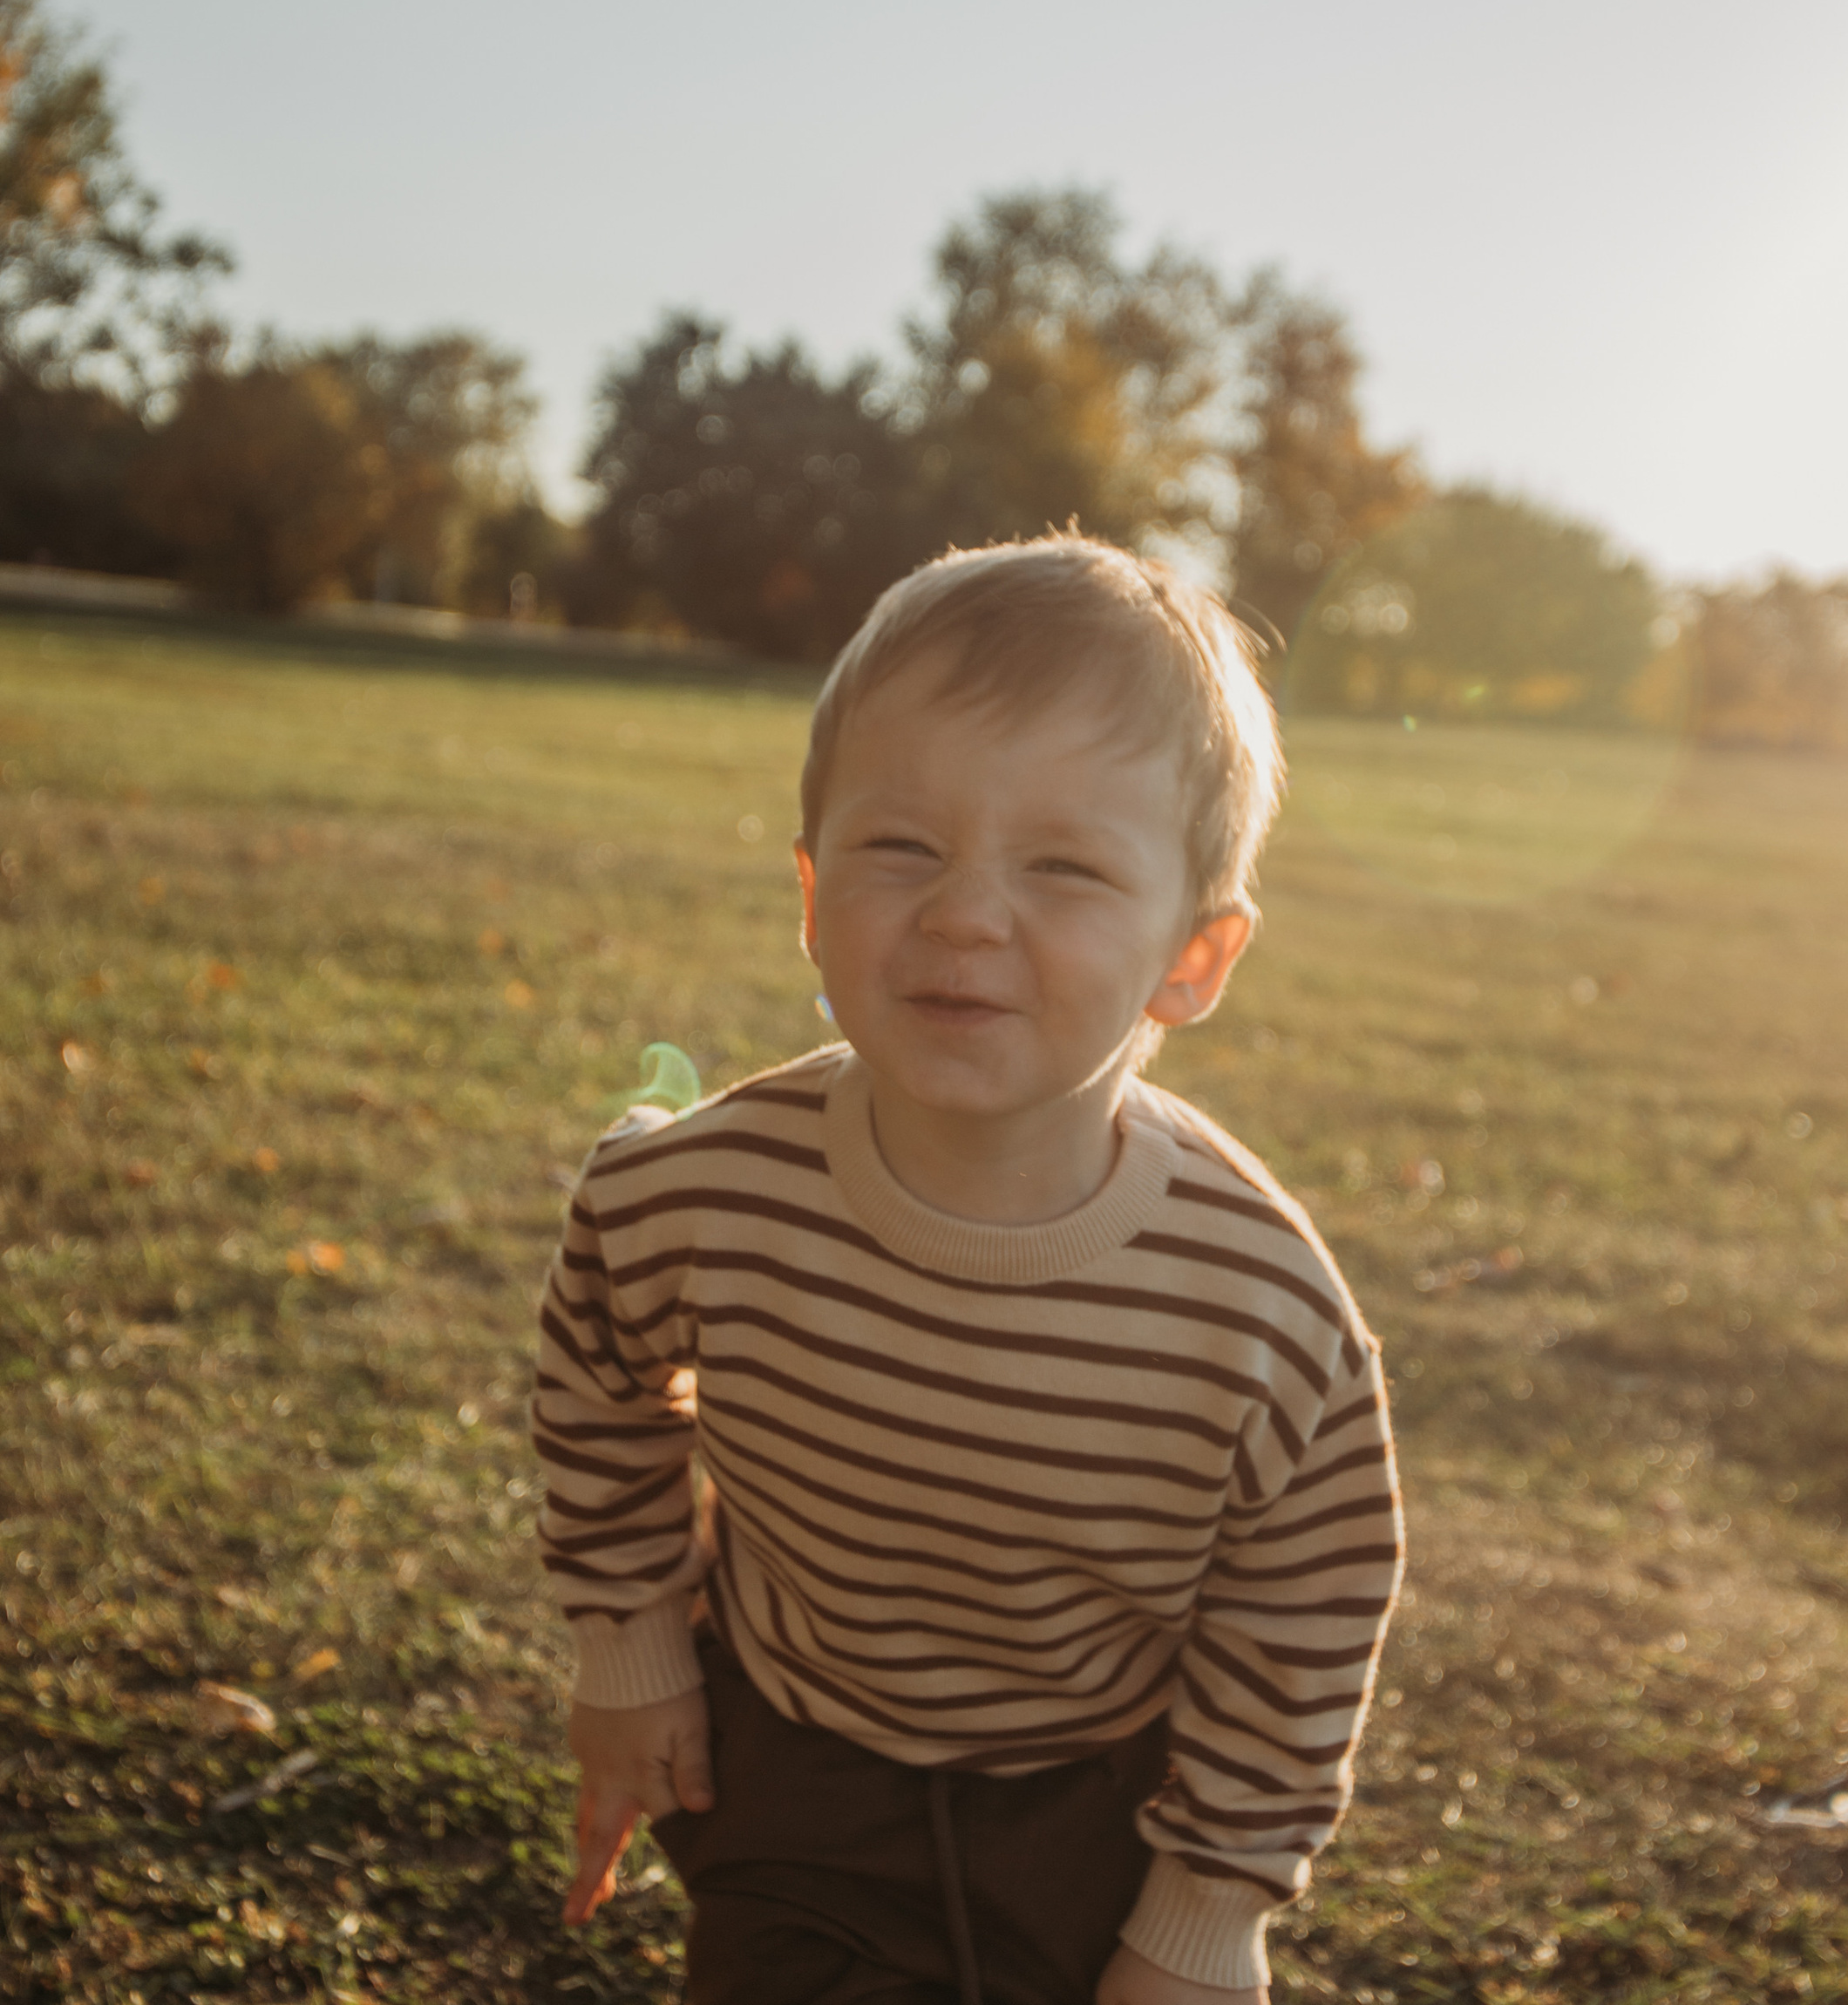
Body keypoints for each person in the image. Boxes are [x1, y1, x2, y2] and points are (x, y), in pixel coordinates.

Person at [533, 534, 1403, 2003]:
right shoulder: (698, 1191)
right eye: (901, 848)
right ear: (812, 893)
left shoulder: (1254, 1301)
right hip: (790, 1763)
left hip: (1099, 1804)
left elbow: (1301, 1613)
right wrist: (630, 1649)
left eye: (1063, 867)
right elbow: (604, 1370)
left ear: (1192, 958)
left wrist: (1207, 1911)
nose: (965, 914)